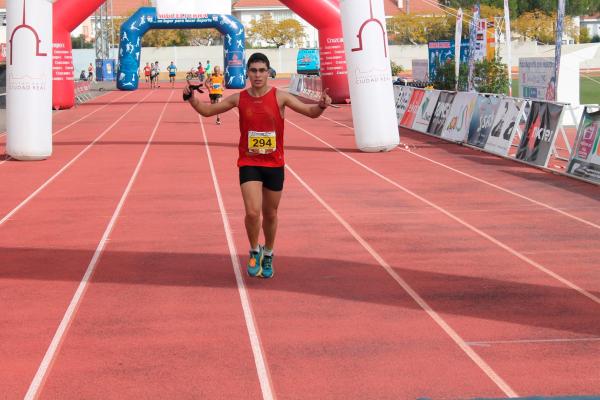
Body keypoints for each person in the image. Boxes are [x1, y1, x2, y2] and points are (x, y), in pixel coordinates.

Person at [184, 52, 331, 279]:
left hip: (274, 164)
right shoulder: (239, 99)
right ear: (248, 73)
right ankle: (254, 250)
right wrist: (191, 98)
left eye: (262, 70)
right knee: (253, 213)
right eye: (253, 70)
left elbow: (310, 113)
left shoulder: (280, 97)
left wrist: (321, 105)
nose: (258, 75)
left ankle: (269, 252)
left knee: (270, 214)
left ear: (269, 72)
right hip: (249, 162)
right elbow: (207, 111)